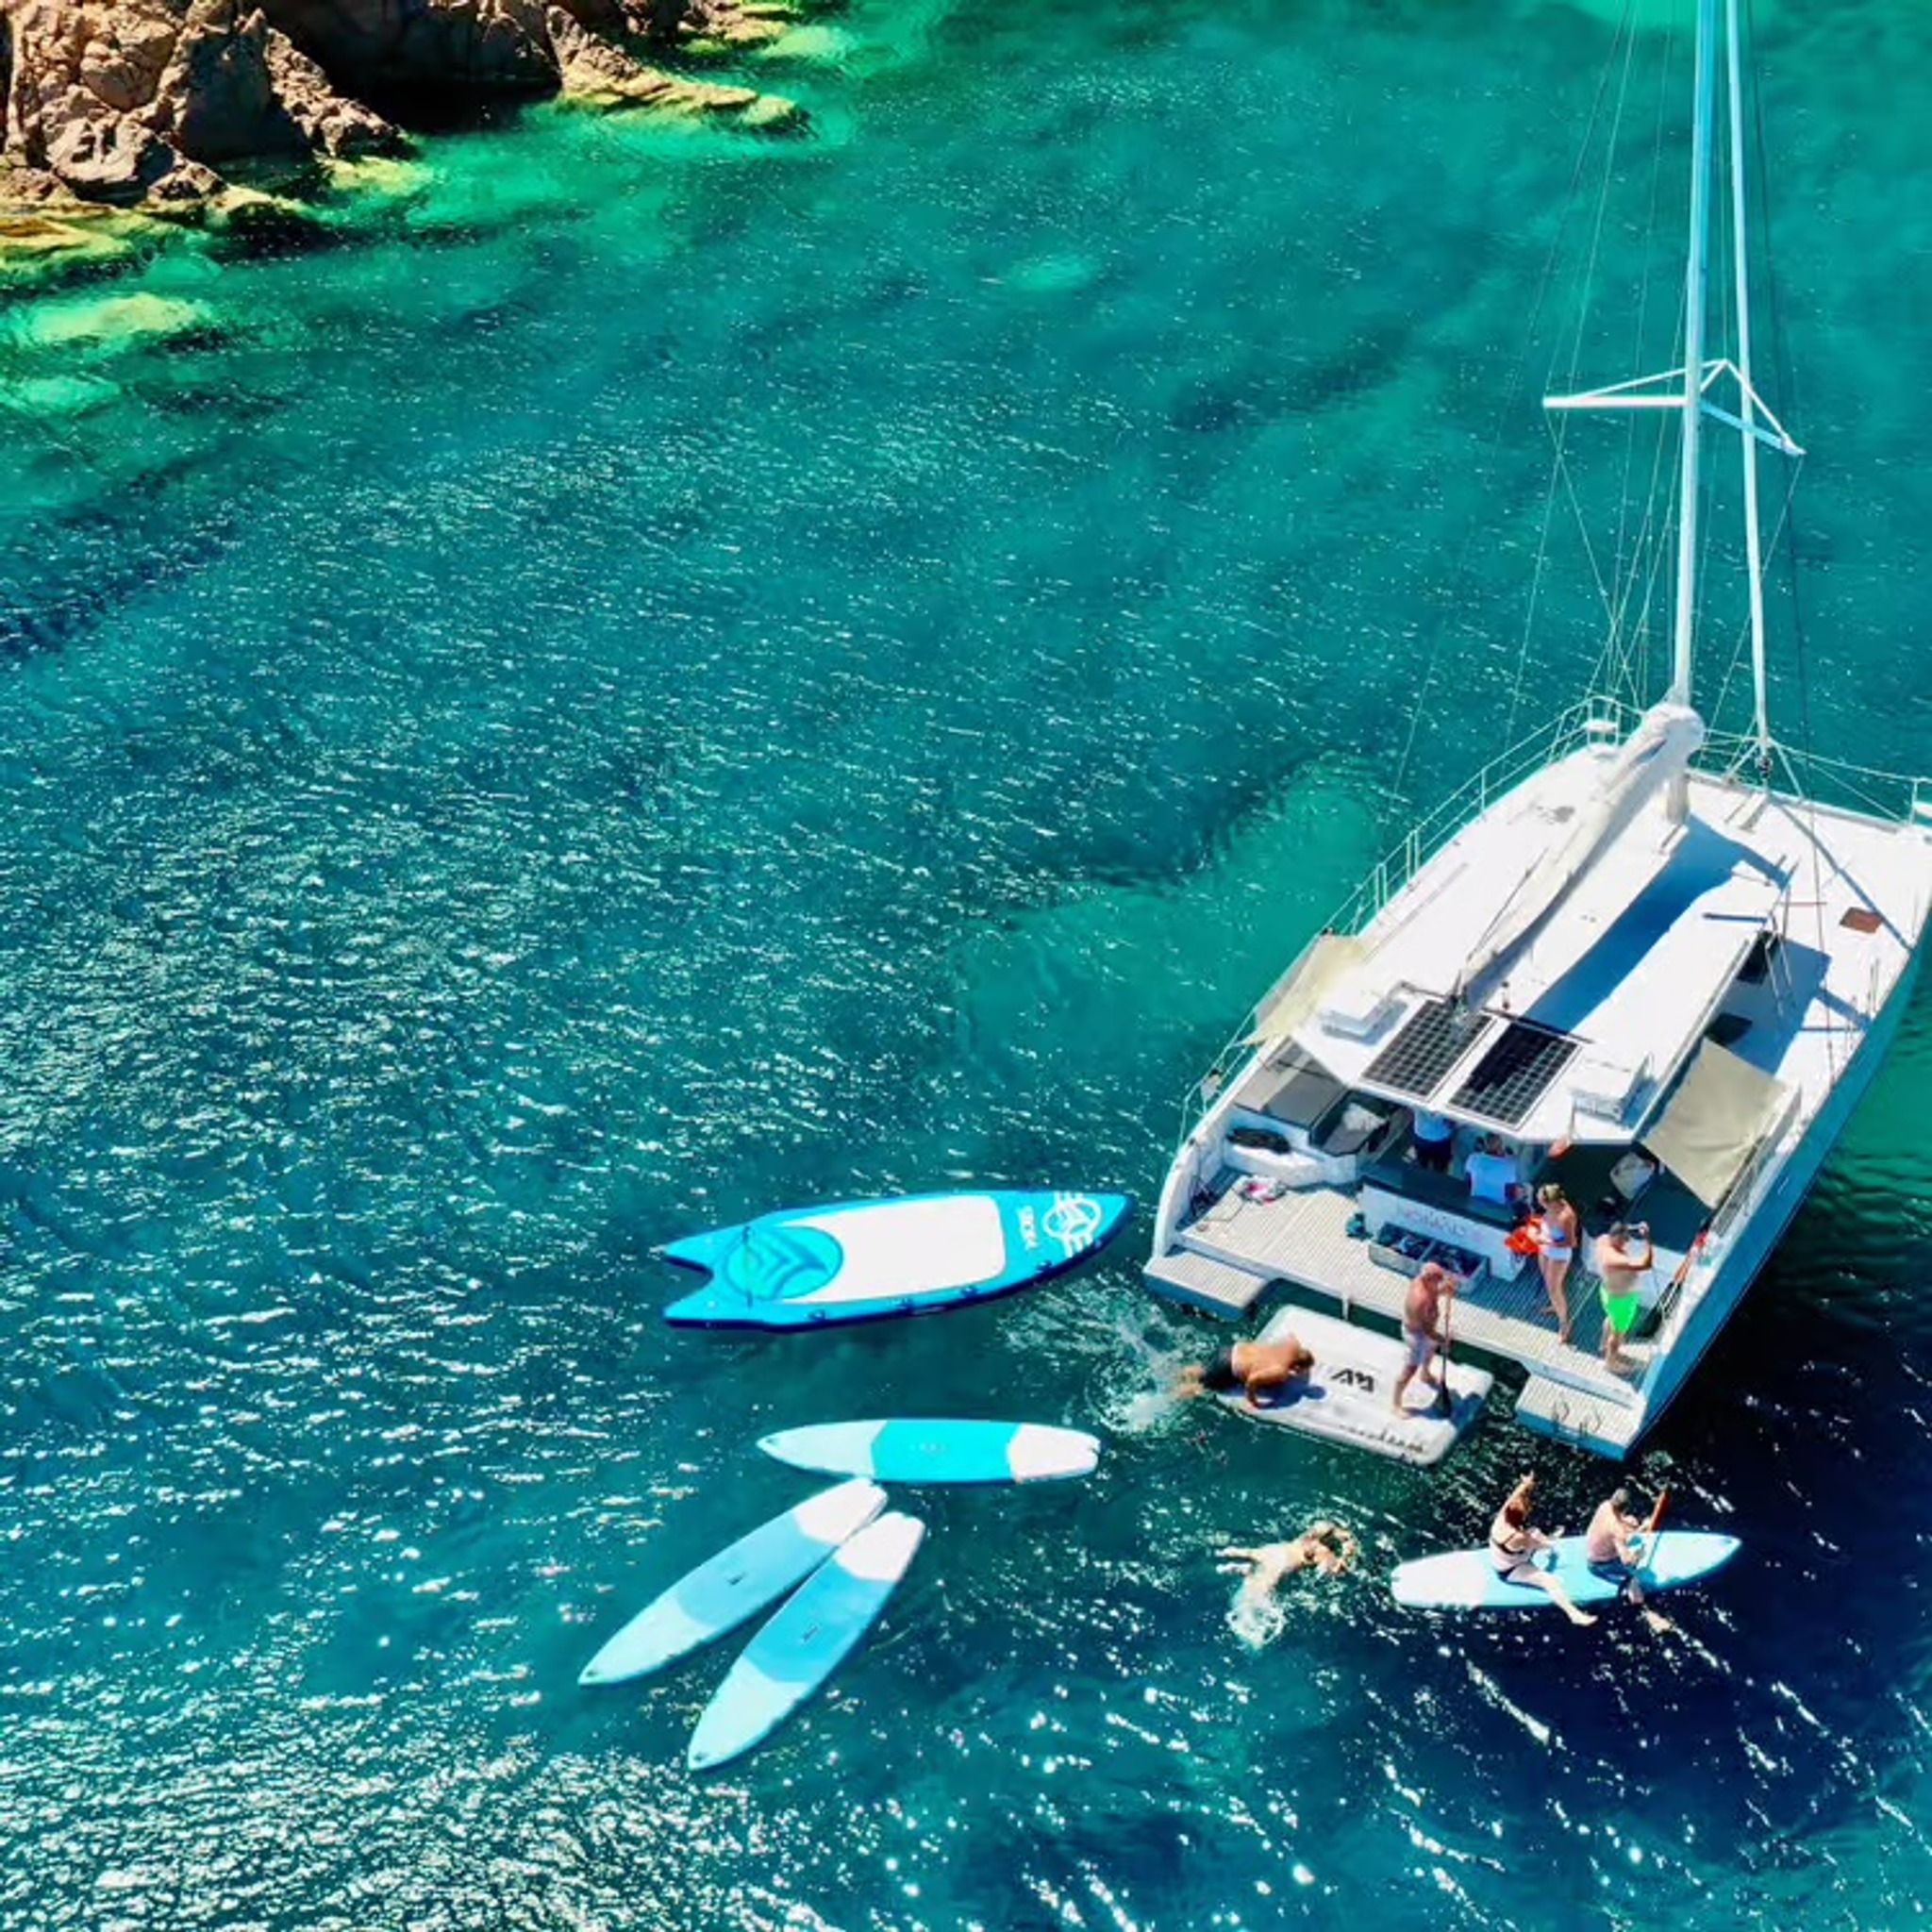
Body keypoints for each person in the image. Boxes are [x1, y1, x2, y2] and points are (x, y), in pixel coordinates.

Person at [1490, 1473, 1597, 1626]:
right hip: (1510, 1569)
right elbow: (1536, 1545)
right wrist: (1551, 1546)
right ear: (1520, 1518)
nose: (1528, 1510)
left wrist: (1525, 1485)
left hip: (1505, 1557)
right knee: (1549, 1581)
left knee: (1535, 1531)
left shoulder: (1502, 1517)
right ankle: (1574, 1614)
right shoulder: (1517, 1537)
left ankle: (1548, 1544)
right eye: (1526, 1510)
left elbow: (1513, 1498)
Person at [1585, 1487, 1672, 1633]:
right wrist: (1637, 1555)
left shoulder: (1605, 1505)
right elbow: (1626, 1561)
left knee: (1631, 1522)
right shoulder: (1616, 1531)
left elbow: (1616, 1522)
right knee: (1633, 1578)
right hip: (1599, 1564)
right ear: (1625, 1507)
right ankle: (1646, 1613)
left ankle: (1637, 1528)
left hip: (1593, 1549)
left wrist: (1628, 1525)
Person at [1218, 1522, 1357, 1606]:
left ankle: (1235, 1564)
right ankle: (1240, 1568)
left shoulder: (1321, 1541)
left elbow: (1347, 1538)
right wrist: (1343, 1560)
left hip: (1278, 1554)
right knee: (1257, 1593)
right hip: (1281, 1560)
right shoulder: (1326, 1552)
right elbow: (1347, 1540)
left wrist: (1343, 1558)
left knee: (1252, 1556)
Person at [1177, 1333, 1316, 1408]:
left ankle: (1177, 1372)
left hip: (1231, 1350)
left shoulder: (1291, 1343)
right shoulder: (1279, 1371)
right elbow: (1252, 1380)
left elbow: (1291, 1336)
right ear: (1296, 1367)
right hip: (1227, 1368)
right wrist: (1253, 1401)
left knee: (1203, 1370)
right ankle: (1173, 1397)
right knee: (1201, 1387)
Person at [1391, 1261, 1455, 1415]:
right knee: (1409, 1369)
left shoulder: (1424, 1282)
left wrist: (1444, 1290)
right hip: (1417, 1335)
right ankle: (1396, 1404)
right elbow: (1427, 1330)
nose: (1440, 1282)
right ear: (1428, 1279)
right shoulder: (1419, 1300)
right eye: (1437, 1280)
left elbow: (1433, 1292)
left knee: (1431, 1350)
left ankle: (1425, 1374)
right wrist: (1443, 1340)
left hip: (1428, 1330)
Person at [1593, 1222, 1655, 1373]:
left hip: (1609, 1293)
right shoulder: (1613, 1258)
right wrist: (1648, 1239)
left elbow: (1619, 1228)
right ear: (1615, 1237)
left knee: (1610, 1319)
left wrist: (1632, 1228)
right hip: (1621, 1300)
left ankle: (1604, 1345)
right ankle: (1611, 1362)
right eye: (1623, 1239)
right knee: (1618, 1333)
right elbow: (1646, 1264)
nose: (1626, 1242)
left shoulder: (1603, 1240)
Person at [1534, 1182, 1578, 1344]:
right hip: (1545, 1248)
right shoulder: (1550, 1208)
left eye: (1543, 1202)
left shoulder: (1566, 1216)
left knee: (1554, 1289)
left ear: (1552, 1202)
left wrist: (1545, 1240)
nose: (1541, 1204)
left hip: (1558, 1254)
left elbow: (1572, 1242)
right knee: (1548, 1282)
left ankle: (1565, 1324)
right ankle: (1555, 1305)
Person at [1463, 1134, 1524, 1208]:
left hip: (1473, 1206)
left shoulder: (1473, 1158)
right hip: (1500, 1210)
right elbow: (1516, 1194)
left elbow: (1467, 1182)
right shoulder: (1513, 1165)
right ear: (1500, 1147)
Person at [1411, 1109, 1455, 1174]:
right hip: (1440, 1140)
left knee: (1422, 1164)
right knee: (1440, 1168)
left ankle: (1420, 1175)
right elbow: (1451, 1124)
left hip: (1422, 1137)